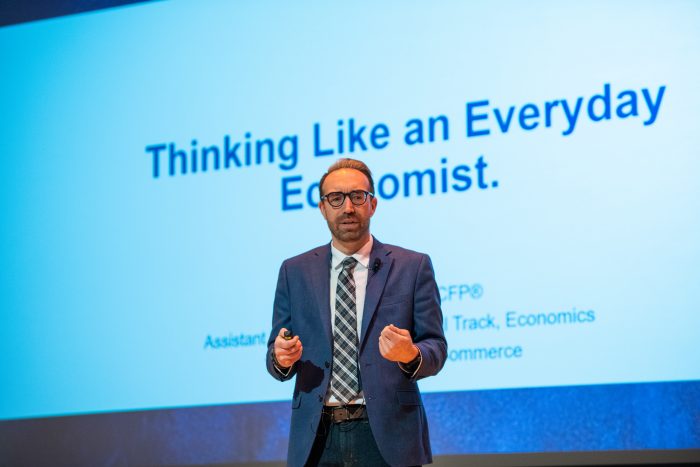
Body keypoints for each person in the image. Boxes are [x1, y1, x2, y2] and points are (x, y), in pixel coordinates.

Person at [266, 158, 447, 466]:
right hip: (317, 437)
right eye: (336, 198)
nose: (347, 207)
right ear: (323, 208)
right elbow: (275, 353)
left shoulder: (412, 266)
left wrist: (411, 354)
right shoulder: (294, 271)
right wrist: (281, 358)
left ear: (372, 204)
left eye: (357, 196)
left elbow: (436, 347)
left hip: (388, 435)